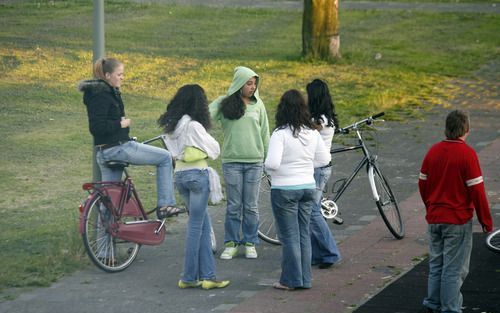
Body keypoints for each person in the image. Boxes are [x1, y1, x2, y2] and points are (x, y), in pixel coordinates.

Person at [78, 57, 181, 218]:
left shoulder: (102, 93)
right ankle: (165, 205)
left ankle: (103, 242)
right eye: (119, 74)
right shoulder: (103, 95)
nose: (122, 77)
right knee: (165, 158)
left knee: (110, 203)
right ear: (107, 75)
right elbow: (97, 128)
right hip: (119, 148)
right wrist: (121, 124)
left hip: (105, 151)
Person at [418, 109, 493, 313]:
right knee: (454, 269)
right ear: (466, 129)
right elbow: (477, 191)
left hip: (435, 217)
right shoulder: (467, 155)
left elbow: (422, 183)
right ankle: (450, 307)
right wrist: (486, 221)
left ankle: (433, 303)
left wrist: (430, 206)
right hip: (457, 220)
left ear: (446, 128)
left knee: (436, 264)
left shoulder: (433, 151)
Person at [159, 84, 229, 290]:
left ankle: (208, 276)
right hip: (198, 175)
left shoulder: (172, 127)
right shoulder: (194, 126)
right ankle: (189, 276)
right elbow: (215, 149)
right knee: (196, 226)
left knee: (203, 224)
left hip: (179, 176)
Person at [265, 89, 330, 290]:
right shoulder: (312, 133)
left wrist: (268, 167)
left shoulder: (280, 134)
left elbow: (273, 163)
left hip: (284, 189)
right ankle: (305, 279)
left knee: (289, 236)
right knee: (303, 234)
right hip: (308, 187)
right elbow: (324, 159)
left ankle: (290, 279)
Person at [209, 66, 270, 260]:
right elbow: (204, 119)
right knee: (234, 205)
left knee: (251, 206)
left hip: (255, 162)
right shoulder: (223, 103)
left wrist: (269, 161)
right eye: (248, 83)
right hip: (232, 162)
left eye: (254, 84)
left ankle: (250, 242)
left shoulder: (258, 105)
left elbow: (265, 134)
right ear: (238, 84)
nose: (252, 87)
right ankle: (231, 243)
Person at [306, 79, 342, 269]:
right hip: (322, 167)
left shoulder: (318, 120)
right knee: (313, 210)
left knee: (312, 211)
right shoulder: (327, 117)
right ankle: (317, 254)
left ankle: (330, 253)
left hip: (317, 169)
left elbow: (303, 131)